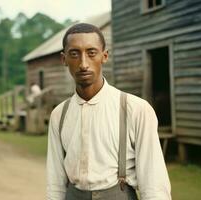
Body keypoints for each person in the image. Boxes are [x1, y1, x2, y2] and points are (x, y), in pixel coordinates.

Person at [46, 23, 171, 200]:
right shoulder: (59, 114)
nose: (83, 64)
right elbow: (55, 181)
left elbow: (154, 183)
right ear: (63, 59)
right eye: (74, 54)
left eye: (91, 53)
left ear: (104, 56)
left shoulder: (136, 109)